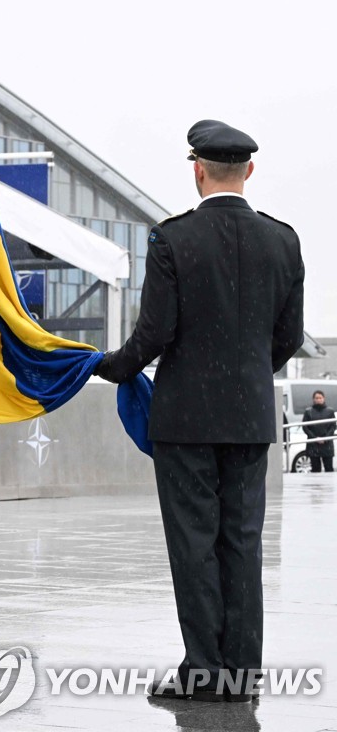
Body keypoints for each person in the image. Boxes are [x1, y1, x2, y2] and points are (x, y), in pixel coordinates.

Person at [95, 120, 305, 702]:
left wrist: (112, 365)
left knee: (194, 543)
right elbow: (286, 338)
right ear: (250, 172)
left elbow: (154, 334)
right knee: (243, 542)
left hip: (185, 419)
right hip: (250, 418)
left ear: (198, 170)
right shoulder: (284, 241)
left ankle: (204, 671)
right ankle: (242, 672)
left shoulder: (172, 239)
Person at [302, 390, 335, 473]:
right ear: (313, 399)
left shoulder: (330, 411)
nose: (318, 400)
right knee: (315, 469)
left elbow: (333, 426)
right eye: (316, 398)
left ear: (324, 399)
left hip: (327, 445)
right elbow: (305, 427)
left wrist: (326, 438)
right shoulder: (308, 412)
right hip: (313, 444)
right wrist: (314, 438)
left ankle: (328, 485)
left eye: (320, 398)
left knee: (329, 468)